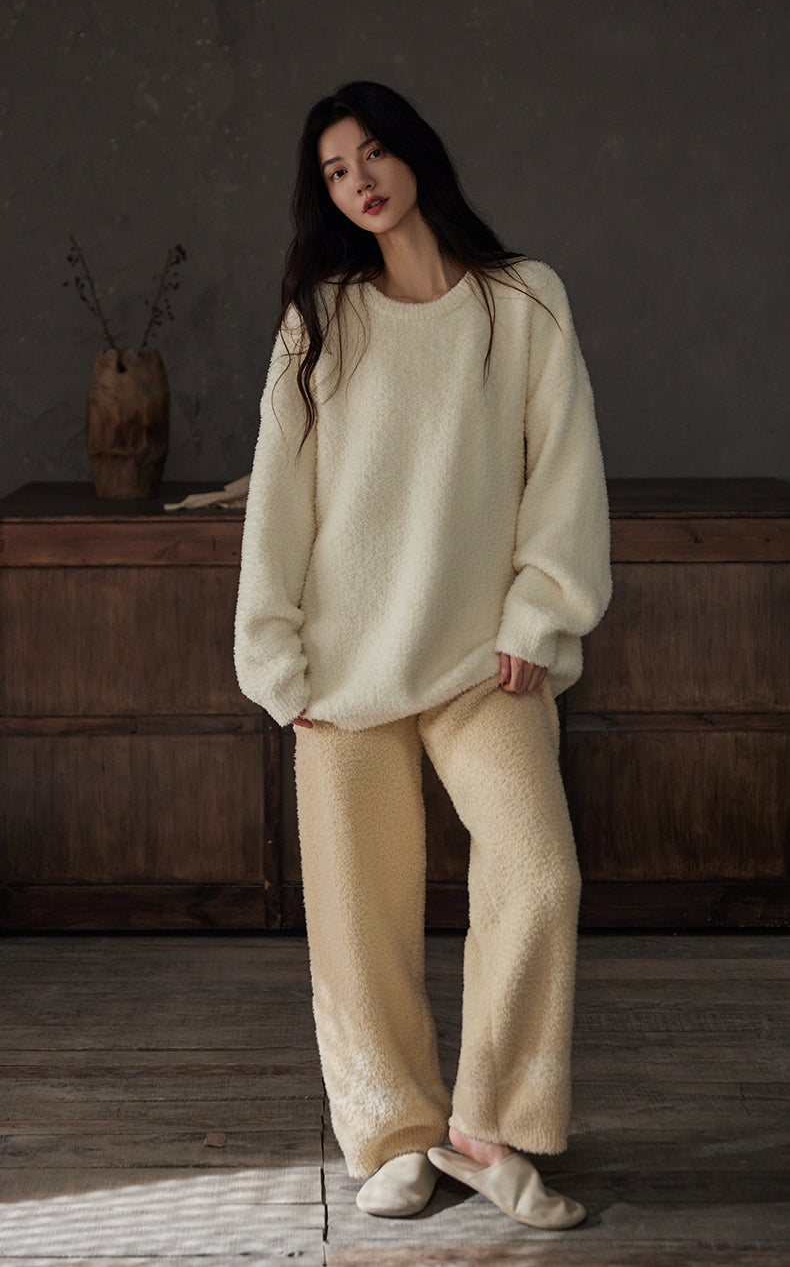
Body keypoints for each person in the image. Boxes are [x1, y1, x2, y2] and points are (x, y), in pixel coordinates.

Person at [233, 80, 612, 1230]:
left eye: (372, 154)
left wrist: (538, 615)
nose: (359, 180)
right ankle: (393, 1131)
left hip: (483, 661)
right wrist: (278, 663)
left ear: (414, 154)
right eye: (335, 171)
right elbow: (281, 502)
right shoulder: (320, 318)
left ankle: (485, 1126)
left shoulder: (523, 299)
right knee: (357, 912)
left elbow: (562, 469)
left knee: (538, 871)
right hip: (342, 672)